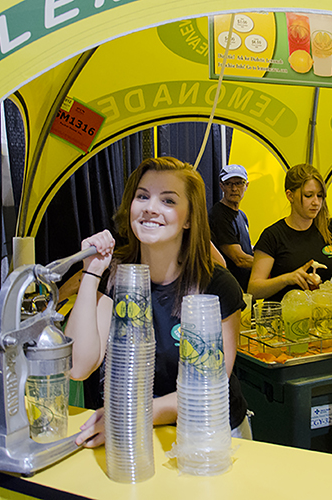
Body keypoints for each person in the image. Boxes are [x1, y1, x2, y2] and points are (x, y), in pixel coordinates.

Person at [66, 156, 251, 448]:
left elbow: (209, 387)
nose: (151, 208)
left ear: (189, 218)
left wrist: (132, 413)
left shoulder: (217, 285)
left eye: (168, 201)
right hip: (133, 437)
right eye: (142, 196)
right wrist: (92, 271)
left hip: (211, 437)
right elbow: (78, 366)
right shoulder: (114, 278)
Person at [248, 163, 332, 302]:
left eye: (319, 196)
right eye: (308, 196)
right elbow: (253, 289)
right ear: (290, 195)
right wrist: (287, 278)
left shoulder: (329, 227)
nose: (316, 202)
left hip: (321, 315)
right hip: (284, 318)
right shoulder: (272, 236)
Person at [209, 164, 254, 291]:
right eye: (229, 184)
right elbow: (239, 259)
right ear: (221, 186)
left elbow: (245, 249)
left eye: (239, 183)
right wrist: (269, 263)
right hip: (228, 290)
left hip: (244, 288)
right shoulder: (219, 215)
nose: (234, 188)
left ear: (246, 185)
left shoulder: (242, 215)